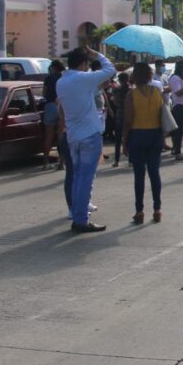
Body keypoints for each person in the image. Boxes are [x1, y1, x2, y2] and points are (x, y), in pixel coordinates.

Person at [57, 47, 116, 233]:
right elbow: (110, 69)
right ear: (84, 64)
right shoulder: (83, 78)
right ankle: (81, 219)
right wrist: (97, 54)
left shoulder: (62, 81)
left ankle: (77, 215)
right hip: (89, 134)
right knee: (85, 179)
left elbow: (84, 95)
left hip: (73, 135)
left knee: (77, 178)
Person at [121, 62, 164, 224]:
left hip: (137, 136)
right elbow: (162, 113)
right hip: (155, 134)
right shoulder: (157, 92)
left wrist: (125, 141)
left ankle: (139, 211)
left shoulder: (131, 95)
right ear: (150, 76)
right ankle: (157, 209)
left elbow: (128, 120)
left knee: (139, 176)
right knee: (155, 173)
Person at [41, 60, 65, 170]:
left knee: (49, 135)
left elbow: (44, 94)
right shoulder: (64, 78)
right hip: (61, 106)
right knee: (61, 136)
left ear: (53, 67)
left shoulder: (48, 78)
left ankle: (45, 162)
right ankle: (61, 162)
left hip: (50, 106)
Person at [111, 72, 131, 167]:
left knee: (118, 138)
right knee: (130, 137)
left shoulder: (117, 90)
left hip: (120, 114)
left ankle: (116, 161)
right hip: (129, 114)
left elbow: (114, 102)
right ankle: (131, 160)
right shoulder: (131, 90)